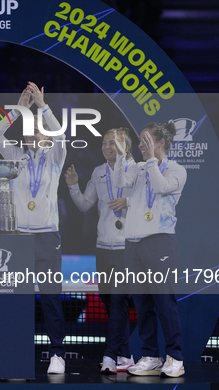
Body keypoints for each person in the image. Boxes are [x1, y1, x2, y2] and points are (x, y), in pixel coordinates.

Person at [0, 82, 67, 374]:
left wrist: (43, 106)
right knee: (17, 297)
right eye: (30, 129)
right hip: (19, 236)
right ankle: (15, 348)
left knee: (50, 296)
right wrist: (19, 106)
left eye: (39, 130)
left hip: (47, 236)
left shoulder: (55, 157)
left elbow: (60, 134)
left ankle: (57, 354)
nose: (34, 134)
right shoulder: (15, 156)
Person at [113, 122, 187, 378]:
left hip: (160, 241)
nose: (141, 145)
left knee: (164, 302)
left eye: (146, 140)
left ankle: (175, 356)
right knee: (142, 304)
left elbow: (160, 187)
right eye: (140, 141)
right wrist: (123, 156)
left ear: (160, 143)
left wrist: (151, 160)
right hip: (133, 243)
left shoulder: (177, 169)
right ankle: (151, 355)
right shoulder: (140, 167)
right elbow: (120, 180)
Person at [64, 127, 136, 374]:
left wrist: (129, 202)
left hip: (126, 249)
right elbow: (85, 205)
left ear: (125, 146)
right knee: (109, 303)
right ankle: (125, 355)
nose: (106, 147)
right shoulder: (98, 172)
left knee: (118, 302)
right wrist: (74, 187)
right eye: (104, 142)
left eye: (112, 142)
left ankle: (109, 356)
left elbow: (149, 202)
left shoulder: (136, 170)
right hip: (102, 248)